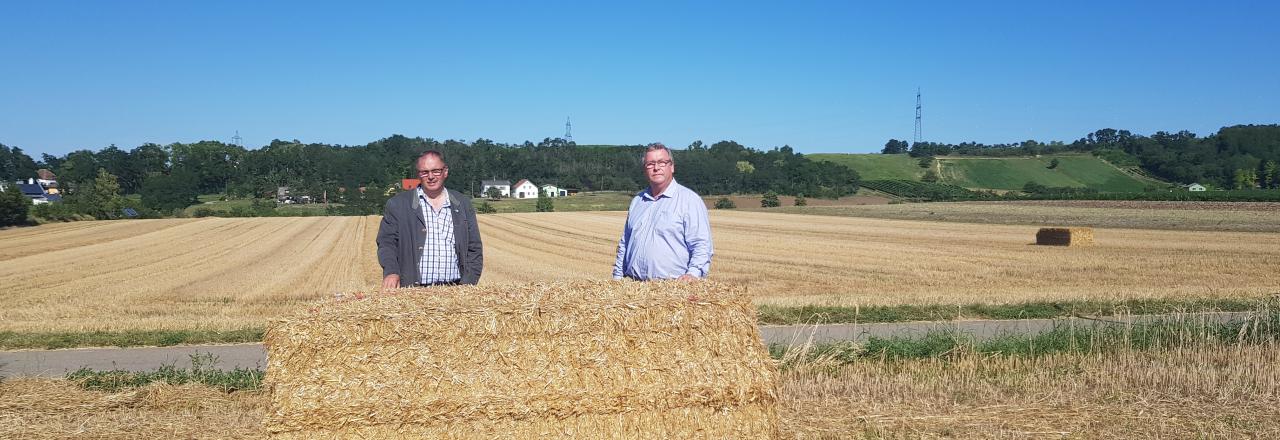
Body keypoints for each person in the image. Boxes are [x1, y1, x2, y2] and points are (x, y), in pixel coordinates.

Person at [377, 150, 483, 288]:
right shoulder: (398, 205)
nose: (431, 176)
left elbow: (474, 247)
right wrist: (391, 271)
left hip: (456, 289)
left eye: (436, 171)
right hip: (413, 290)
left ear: (445, 172)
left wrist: (468, 282)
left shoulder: (462, 203)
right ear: (418, 175)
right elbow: (387, 243)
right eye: (425, 172)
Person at [612, 142, 713, 281]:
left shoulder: (689, 201)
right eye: (650, 164)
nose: (656, 168)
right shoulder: (637, 201)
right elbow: (625, 243)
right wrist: (617, 278)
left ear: (671, 167)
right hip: (633, 287)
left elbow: (701, 244)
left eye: (662, 162)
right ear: (645, 169)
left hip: (672, 289)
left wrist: (693, 274)